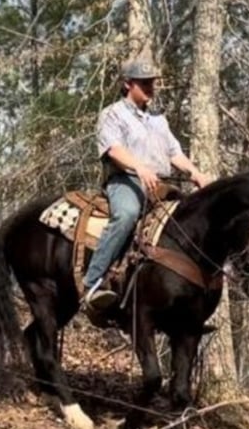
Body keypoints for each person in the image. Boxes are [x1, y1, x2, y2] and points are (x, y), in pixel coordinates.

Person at [82, 58, 212, 310]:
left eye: (152, 82)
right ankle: (92, 282)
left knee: (192, 221)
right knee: (127, 215)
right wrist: (139, 167)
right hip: (125, 180)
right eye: (144, 83)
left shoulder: (158, 119)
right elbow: (114, 151)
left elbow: (174, 153)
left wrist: (195, 172)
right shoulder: (112, 114)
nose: (151, 87)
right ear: (128, 84)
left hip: (160, 184)